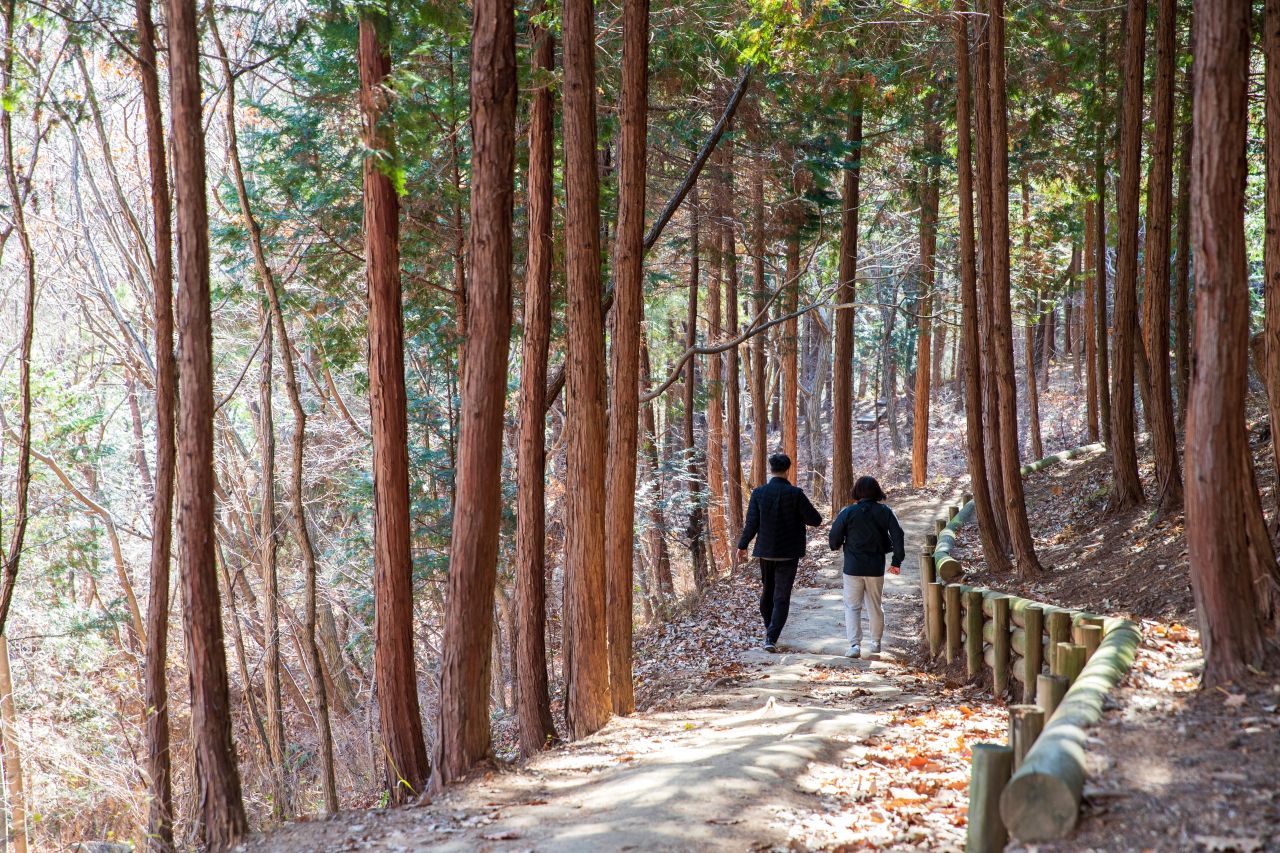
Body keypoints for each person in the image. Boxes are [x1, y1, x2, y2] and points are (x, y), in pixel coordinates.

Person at [736, 453, 822, 652]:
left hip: (765, 551)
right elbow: (815, 520)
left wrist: (742, 545)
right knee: (781, 596)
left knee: (767, 594)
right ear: (788, 469)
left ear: (770, 469)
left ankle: (770, 633)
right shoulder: (796, 494)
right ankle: (771, 636)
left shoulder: (759, 493)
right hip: (789, 553)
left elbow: (752, 524)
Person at [828, 475, 905, 658]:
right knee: (875, 605)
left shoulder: (848, 512)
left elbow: (834, 535)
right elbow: (898, 535)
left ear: (857, 492)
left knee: (852, 606)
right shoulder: (885, 511)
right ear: (877, 491)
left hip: (853, 567)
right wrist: (896, 560)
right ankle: (876, 642)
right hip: (875, 567)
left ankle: (854, 645)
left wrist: (835, 545)